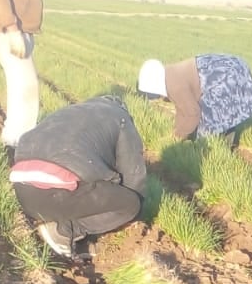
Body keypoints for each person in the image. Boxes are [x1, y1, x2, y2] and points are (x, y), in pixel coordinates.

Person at [8, 96, 147, 258]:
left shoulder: (72, 112)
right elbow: (134, 176)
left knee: (86, 184)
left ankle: (58, 220)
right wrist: (136, 214)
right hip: (61, 193)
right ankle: (65, 231)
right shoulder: (121, 118)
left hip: (25, 195)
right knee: (130, 203)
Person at [137, 55, 252, 146]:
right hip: (233, 68)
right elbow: (183, 110)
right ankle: (223, 146)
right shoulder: (170, 75)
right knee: (221, 116)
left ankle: (218, 150)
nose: (159, 98)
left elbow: (192, 114)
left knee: (209, 122)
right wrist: (177, 131)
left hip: (231, 75)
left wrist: (176, 138)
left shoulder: (174, 85)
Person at [0, 0, 43, 147]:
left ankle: (15, 142)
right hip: (10, 32)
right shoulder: (12, 30)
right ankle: (17, 143)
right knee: (26, 89)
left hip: (19, 32)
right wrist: (12, 29)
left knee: (21, 88)